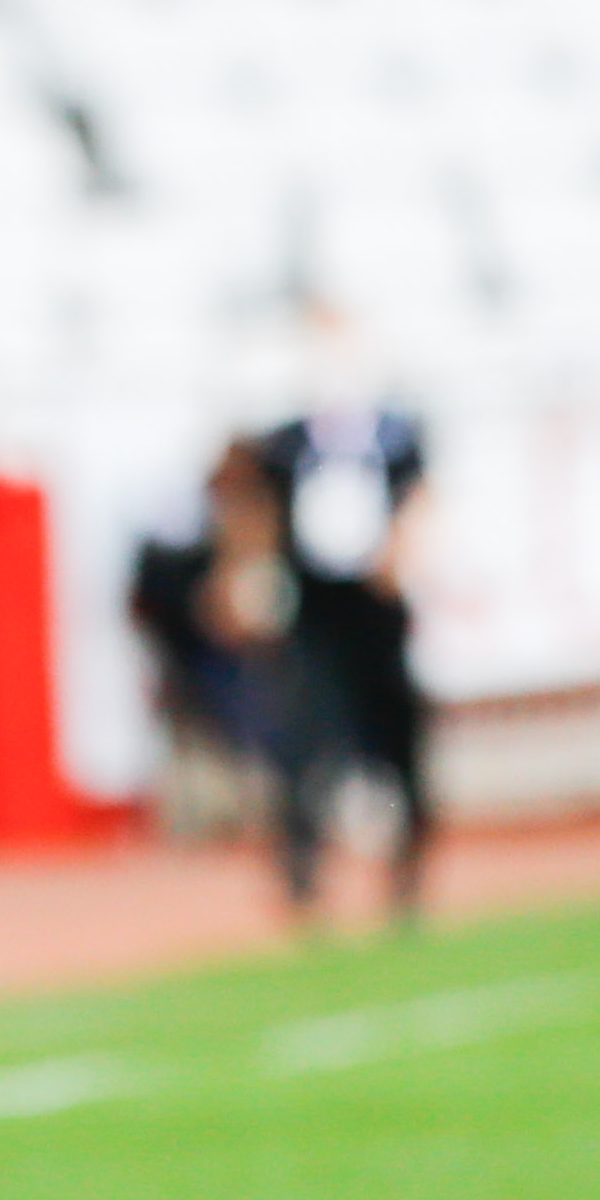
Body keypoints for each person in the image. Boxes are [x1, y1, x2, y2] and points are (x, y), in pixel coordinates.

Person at [258, 386, 430, 923]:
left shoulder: (393, 435)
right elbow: (253, 501)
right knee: (308, 744)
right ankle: (302, 874)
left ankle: (407, 869)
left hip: (377, 608)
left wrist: (398, 550)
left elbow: (419, 495)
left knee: (397, 740)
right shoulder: (287, 442)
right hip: (316, 613)